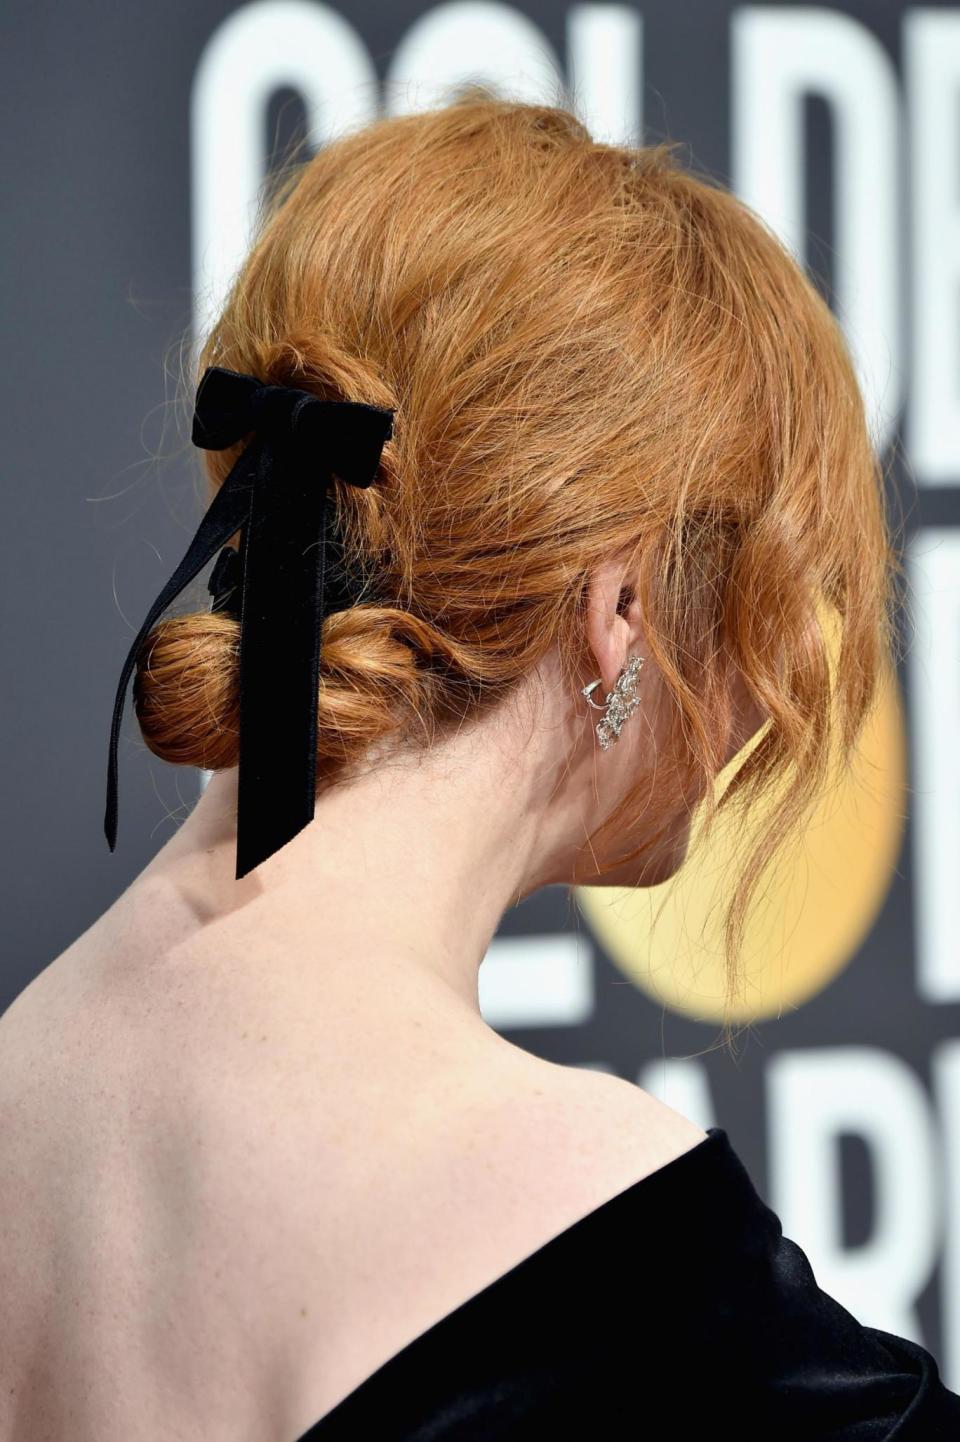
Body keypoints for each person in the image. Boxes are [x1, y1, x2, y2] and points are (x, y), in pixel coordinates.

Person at [1, 92, 956, 1442]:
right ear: (618, 608)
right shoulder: (598, 1226)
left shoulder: (22, 1084)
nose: (763, 685)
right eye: (751, 588)